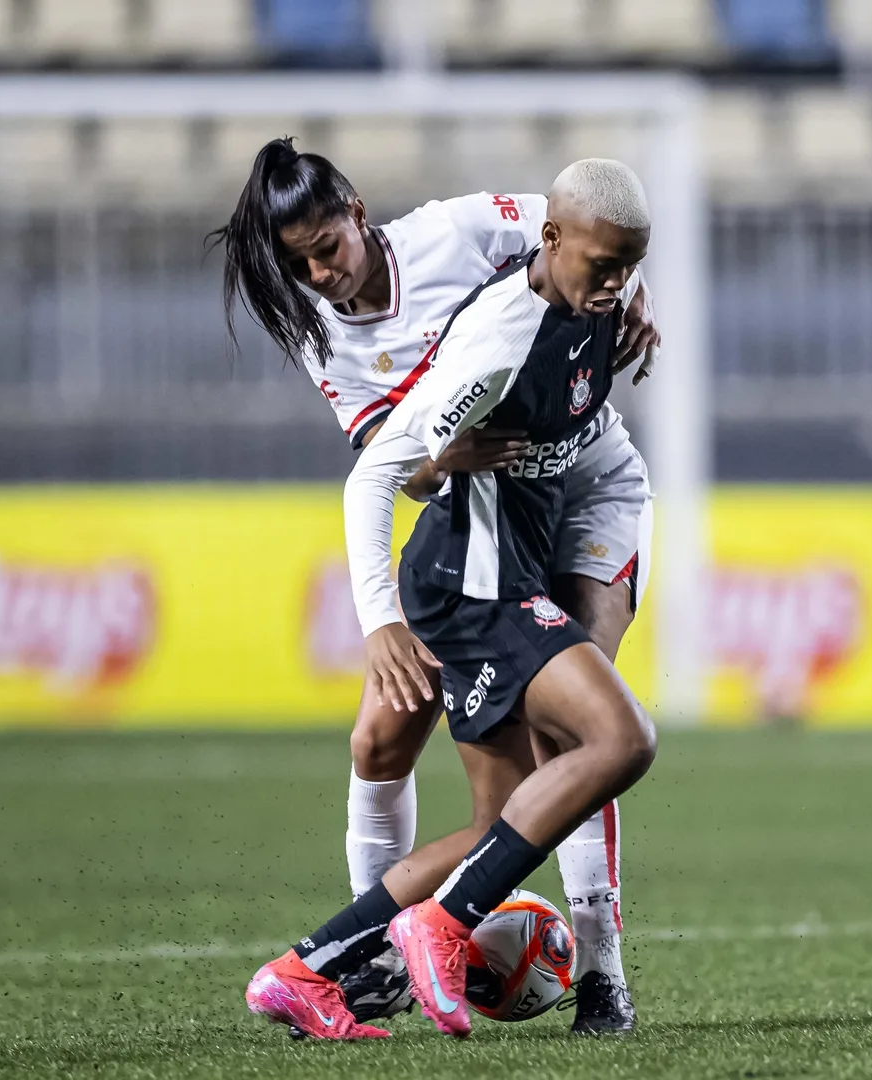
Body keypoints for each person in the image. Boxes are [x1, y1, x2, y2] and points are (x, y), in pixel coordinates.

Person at [209, 140, 658, 1033]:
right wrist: (383, 615)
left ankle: (599, 969)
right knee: (386, 741)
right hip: (480, 530)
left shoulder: (462, 236)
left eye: (326, 246)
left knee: (573, 735)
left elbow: (583, 227)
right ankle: (381, 948)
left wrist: (629, 298)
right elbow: (394, 469)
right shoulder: (331, 335)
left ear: (359, 213)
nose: (319, 273)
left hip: (579, 488)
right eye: (298, 262)